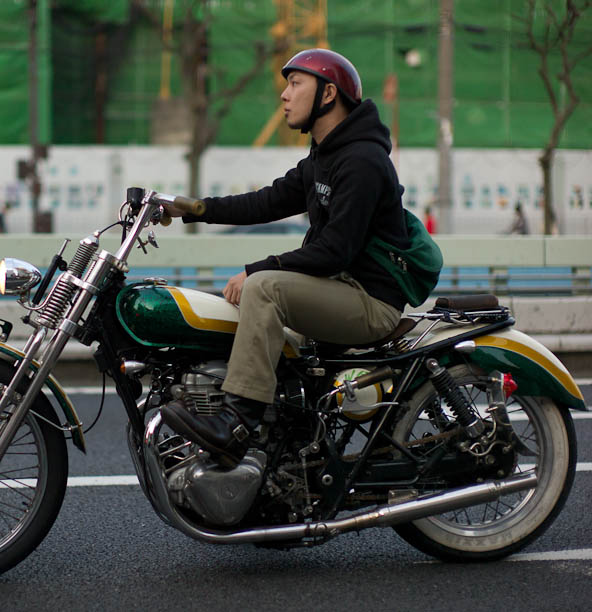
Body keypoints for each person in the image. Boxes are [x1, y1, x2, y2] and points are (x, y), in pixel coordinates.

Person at [161, 48, 409, 468]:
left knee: (264, 288)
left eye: (296, 84)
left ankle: (237, 423)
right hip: (336, 290)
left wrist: (259, 269)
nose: (284, 95)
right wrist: (191, 208)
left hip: (369, 300)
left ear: (328, 94)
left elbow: (335, 250)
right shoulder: (323, 157)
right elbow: (265, 202)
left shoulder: (363, 160)